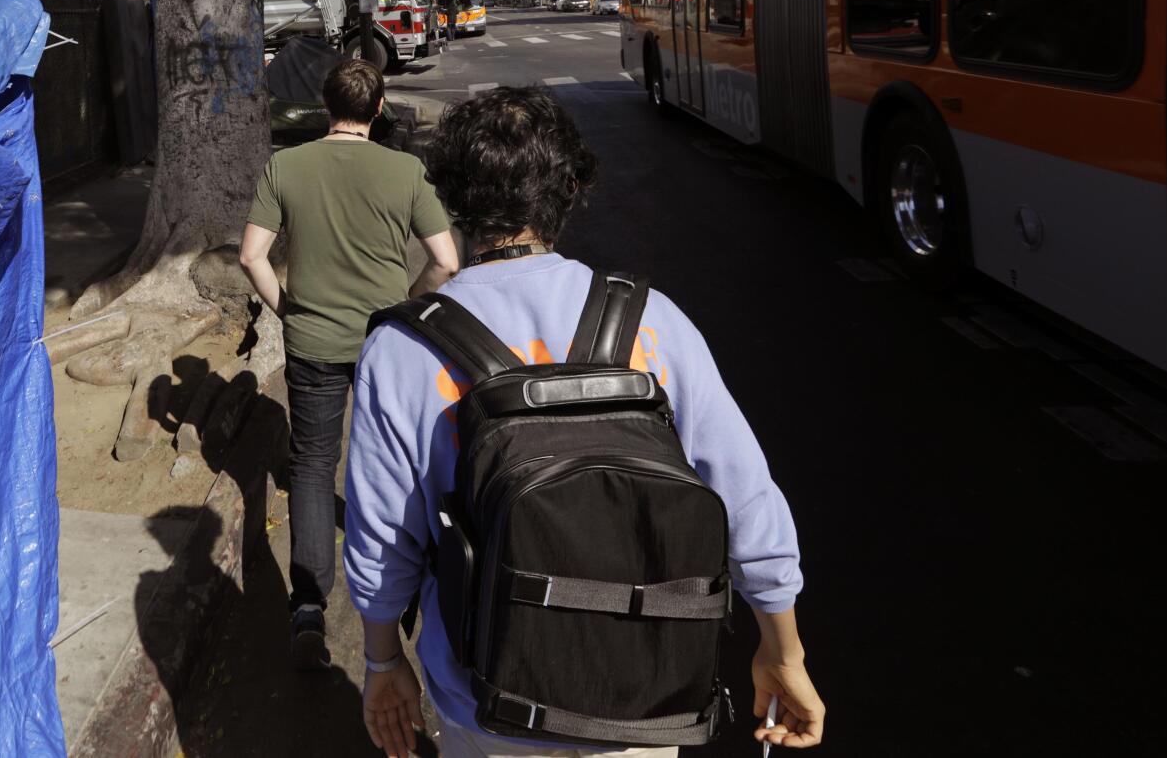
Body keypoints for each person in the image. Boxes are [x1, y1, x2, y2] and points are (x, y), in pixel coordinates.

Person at [343, 86, 825, 756]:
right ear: (569, 189)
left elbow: (383, 541)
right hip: (645, 698)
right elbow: (745, 500)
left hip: (488, 706)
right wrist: (783, 649)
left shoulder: (403, 350)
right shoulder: (651, 321)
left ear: (451, 196)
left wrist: (381, 660)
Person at [239, 57, 460, 670]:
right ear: (380, 108)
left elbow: (251, 256)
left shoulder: (286, 167)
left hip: (311, 343)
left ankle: (307, 607)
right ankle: (413, 584)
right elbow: (445, 262)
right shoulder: (405, 170)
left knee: (312, 466)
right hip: (386, 344)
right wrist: (403, 309)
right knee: (400, 459)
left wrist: (288, 309)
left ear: (324, 104)